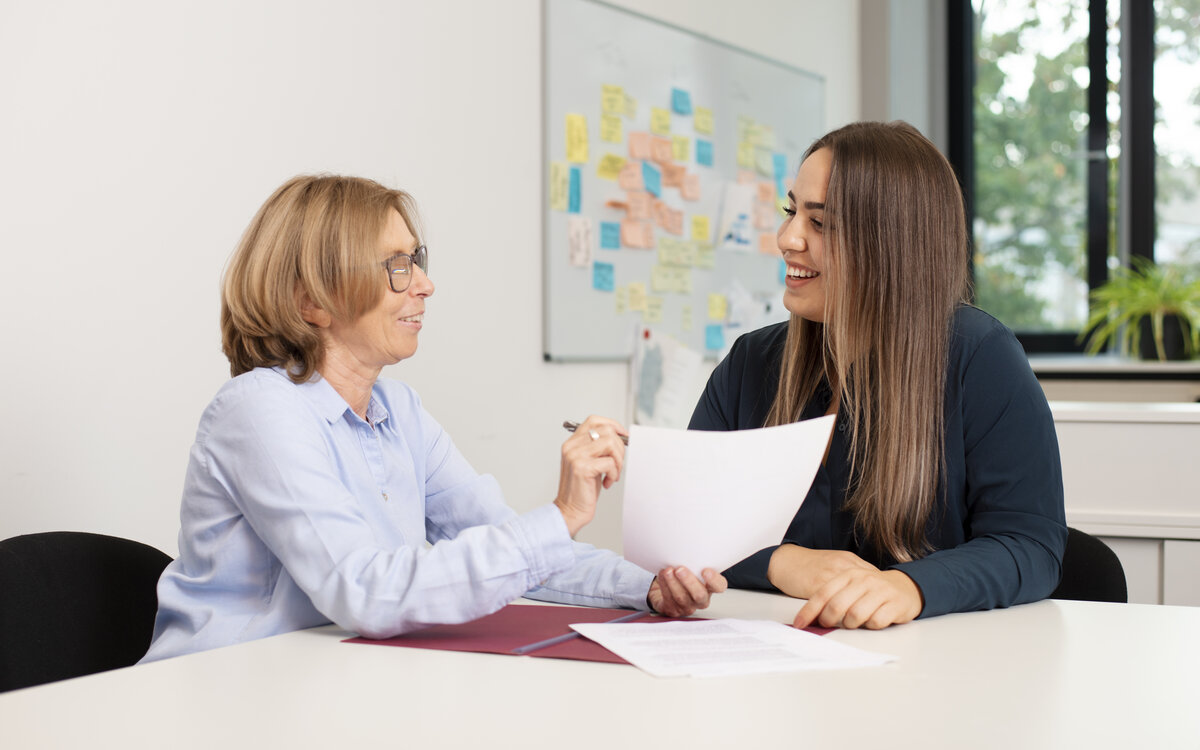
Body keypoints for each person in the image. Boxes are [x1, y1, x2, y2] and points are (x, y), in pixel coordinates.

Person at [141, 175, 725, 663]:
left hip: (334, 676)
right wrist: (564, 514)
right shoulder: (258, 409)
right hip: (226, 693)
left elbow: (508, 548)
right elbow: (364, 589)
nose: (425, 284)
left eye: (416, 260)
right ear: (310, 302)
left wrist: (646, 587)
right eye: (397, 265)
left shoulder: (399, 410)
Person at [689, 121, 1066, 631]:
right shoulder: (751, 362)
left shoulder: (980, 357)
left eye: (819, 223)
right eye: (791, 211)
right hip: (772, 666)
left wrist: (909, 587)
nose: (786, 238)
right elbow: (689, 524)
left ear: (889, 242)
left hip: (934, 672)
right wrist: (787, 563)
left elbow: (1029, 546)